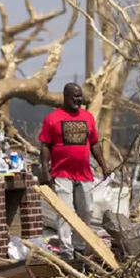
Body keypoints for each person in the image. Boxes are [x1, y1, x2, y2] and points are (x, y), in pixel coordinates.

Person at [38, 82, 110, 257]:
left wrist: (104, 165)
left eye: (80, 97)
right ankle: (66, 250)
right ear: (65, 97)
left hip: (84, 173)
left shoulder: (88, 118)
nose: (79, 100)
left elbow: (94, 144)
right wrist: (45, 170)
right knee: (65, 212)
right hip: (61, 173)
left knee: (86, 211)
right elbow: (45, 145)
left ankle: (79, 247)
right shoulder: (52, 118)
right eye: (75, 97)